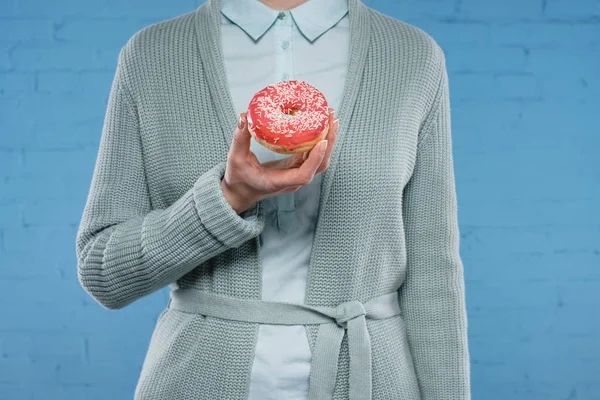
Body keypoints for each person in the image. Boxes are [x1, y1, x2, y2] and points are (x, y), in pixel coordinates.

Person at [75, 0, 471, 398]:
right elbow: (103, 272)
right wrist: (228, 198)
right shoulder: (153, 54)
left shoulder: (412, 55)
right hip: (194, 379)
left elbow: (434, 273)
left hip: (371, 380)